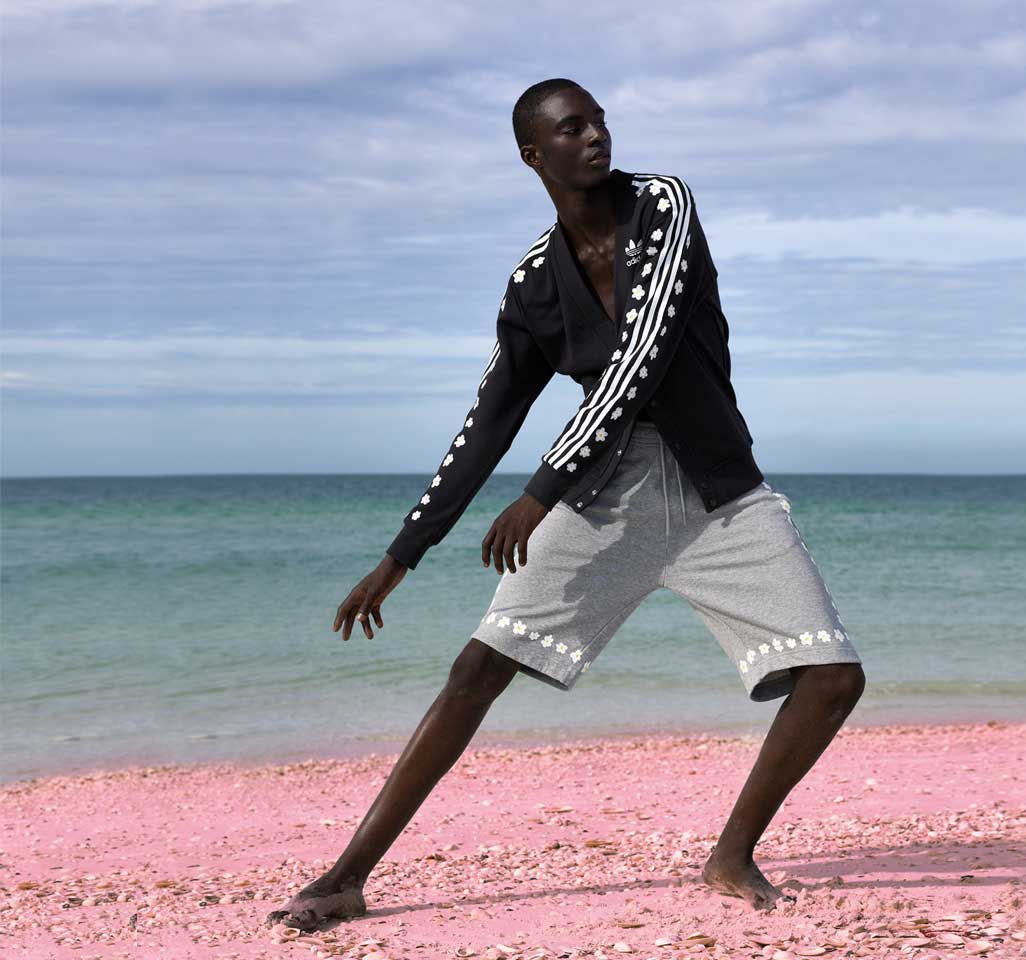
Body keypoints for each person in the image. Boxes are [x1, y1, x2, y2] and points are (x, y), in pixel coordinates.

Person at [267, 78, 865, 930]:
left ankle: (732, 854)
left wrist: (539, 491)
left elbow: (641, 356)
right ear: (532, 154)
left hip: (717, 492)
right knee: (477, 669)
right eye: (572, 127)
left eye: (600, 122)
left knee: (834, 676)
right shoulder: (534, 285)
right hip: (606, 496)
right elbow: (487, 421)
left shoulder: (662, 206)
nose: (595, 137)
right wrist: (402, 554)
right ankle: (344, 877)